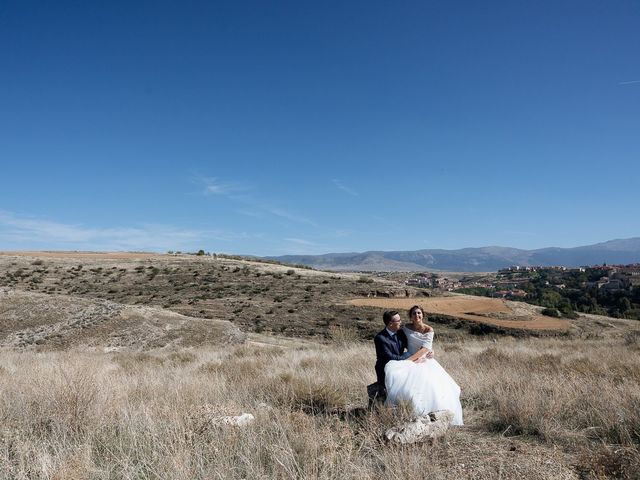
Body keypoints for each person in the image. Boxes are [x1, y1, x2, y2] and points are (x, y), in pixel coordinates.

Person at [383, 305, 463, 425]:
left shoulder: (429, 330)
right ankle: (407, 414)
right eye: (414, 313)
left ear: (423, 315)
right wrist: (406, 360)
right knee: (406, 387)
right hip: (410, 359)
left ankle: (432, 416)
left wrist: (409, 361)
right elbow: (399, 340)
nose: (417, 315)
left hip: (423, 361)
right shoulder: (405, 328)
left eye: (419, 313)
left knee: (430, 389)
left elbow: (424, 349)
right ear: (410, 316)